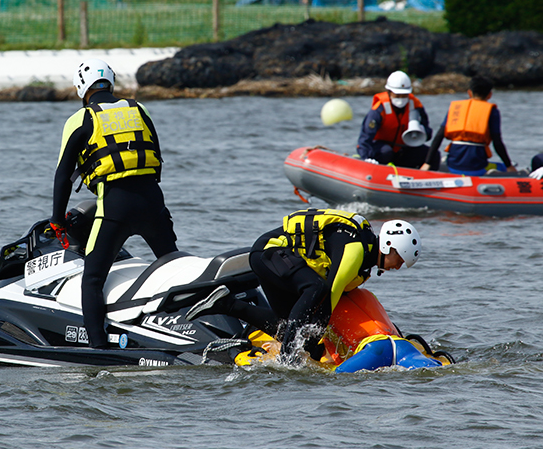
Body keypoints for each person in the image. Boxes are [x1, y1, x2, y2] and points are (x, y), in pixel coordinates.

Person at [49, 58, 178, 348]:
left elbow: (63, 177)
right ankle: (183, 331)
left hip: (114, 206)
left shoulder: (80, 119)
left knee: (92, 279)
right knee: (172, 266)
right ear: (111, 81)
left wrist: (57, 220)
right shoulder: (138, 108)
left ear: (82, 87)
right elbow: (156, 155)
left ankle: (97, 348)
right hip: (153, 201)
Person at [186, 208, 421, 359]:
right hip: (270, 252)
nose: (397, 266)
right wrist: (313, 335)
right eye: (399, 259)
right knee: (315, 291)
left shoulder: (365, 264)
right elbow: (329, 292)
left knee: (284, 325)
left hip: (277, 261)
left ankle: (224, 304)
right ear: (388, 245)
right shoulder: (356, 249)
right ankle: (287, 358)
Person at [419, 75, 517, 175]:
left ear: (469, 93)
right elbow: (497, 143)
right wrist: (509, 165)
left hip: (453, 164)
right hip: (476, 166)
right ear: (490, 95)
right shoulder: (492, 112)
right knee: (501, 167)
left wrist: (427, 163)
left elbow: (439, 136)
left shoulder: (456, 108)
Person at [357, 70, 439, 169]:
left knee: (433, 154)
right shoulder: (379, 110)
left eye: (404, 95)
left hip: (404, 148)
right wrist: (365, 157)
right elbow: (365, 138)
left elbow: (428, 132)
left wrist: (421, 131)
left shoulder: (415, 106)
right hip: (382, 149)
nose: (401, 98)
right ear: (389, 92)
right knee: (386, 152)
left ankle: (426, 180)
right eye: (397, 95)